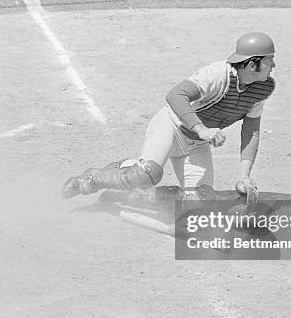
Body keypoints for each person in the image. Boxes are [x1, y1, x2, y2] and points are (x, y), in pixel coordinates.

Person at [61, 32, 276, 202]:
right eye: (269, 61)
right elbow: (176, 95)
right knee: (146, 175)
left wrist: (244, 176)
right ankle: (92, 178)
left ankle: (129, 196)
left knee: (200, 201)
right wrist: (202, 129)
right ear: (251, 64)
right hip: (171, 127)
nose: (273, 66)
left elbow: (251, 130)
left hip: (197, 144)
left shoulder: (262, 89)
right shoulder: (217, 74)